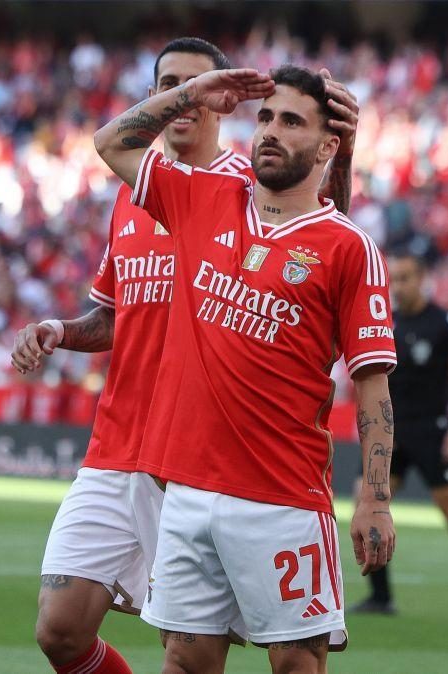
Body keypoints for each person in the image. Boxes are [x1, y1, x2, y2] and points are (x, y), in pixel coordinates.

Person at [11, 38, 359, 674]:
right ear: (155, 97)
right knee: (59, 632)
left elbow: (321, 244)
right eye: (170, 83)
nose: (187, 97)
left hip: (199, 456)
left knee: (191, 653)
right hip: (117, 445)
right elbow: (116, 315)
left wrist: (343, 147)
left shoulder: (244, 189)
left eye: (202, 85)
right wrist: (61, 329)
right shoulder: (136, 194)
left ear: (227, 100)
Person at [94, 65, 397, 674]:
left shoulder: (346, 246)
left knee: (296, 665)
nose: (270, 131)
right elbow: (110, 143)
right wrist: (189, 95)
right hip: (186, 490)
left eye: (291, 121)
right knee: (184, 661)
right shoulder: (201, 197)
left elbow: (372, 384)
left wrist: (376, 497)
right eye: (264, 117)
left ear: (328, 145)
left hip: (281, 496)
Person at [353, 251, 448, 623]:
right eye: (395, 280)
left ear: (421, 279)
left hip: (432, 431)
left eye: (405, 278)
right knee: (369, 502)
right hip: (392, 432)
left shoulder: (445, 322)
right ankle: (381, 597)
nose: (399, 287)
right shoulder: (386, 321)